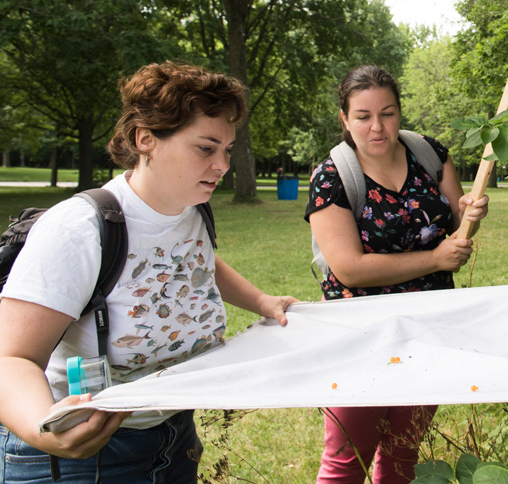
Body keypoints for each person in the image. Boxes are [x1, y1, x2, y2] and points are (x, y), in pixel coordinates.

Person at [0, 61, 297, 483]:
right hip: (81, 457)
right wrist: (41, 431)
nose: (223, 165)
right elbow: (11, 357)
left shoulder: (190, 208)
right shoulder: (78, 230)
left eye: (227, 150)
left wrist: (261, 301)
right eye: (205, 148)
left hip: (174, 437)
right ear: (146, 140)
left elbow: (195, 264)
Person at [307, 64, 489, 484]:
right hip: (359, 333)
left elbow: (456, 223)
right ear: (344, 119)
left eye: (387, 113)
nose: (377, 127)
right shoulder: (331, 178)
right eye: (363, 116)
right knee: (346, 460)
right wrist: (435, 260)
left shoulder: (429, 154)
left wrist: (471, 215)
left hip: (429, 324)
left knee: (403, 453)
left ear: (399, 112)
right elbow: (349, 268)